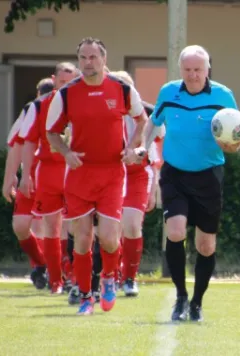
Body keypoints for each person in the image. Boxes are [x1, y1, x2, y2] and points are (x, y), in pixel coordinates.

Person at [46, 37, 148, 315]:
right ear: (78, 61)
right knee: (81, 239)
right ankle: (86, 297)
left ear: (104, 59)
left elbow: (142, 120)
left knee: (109, 237)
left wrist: (132, 148)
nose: (88, 62)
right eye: (83, 58)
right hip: (79, 174)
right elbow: (52, 132)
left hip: (113, 174)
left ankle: (108, 278)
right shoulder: (66, 94)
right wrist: (66, 153)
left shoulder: (122, 88)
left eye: (93, 57)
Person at [147, 45, 240, 322]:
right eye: (187, 70)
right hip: (175, 174)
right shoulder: (168, 92)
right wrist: (142, 147)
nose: (192, 75)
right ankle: (180, 296)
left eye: (197, 70)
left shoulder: (223, 95)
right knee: (176, 232)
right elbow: (153, 122)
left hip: (208, 176)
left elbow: (238, 133)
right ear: (181, 70)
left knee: (206, 246)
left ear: (207, 70)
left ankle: (197, 303)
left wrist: (233, 145)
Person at [18, 62, 78, 294]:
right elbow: (29, 140)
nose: (66, 86)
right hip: (49, 171)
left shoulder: (81, 101)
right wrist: (25, 174)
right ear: (54, 80)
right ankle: (56, 281)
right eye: (62, 82)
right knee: (51, 226)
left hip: (75, 170)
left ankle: (74, 274)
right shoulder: (40, 105)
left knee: (76, 225)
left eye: (71, 82)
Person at [109, 70, 163, 297]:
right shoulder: (105, 112)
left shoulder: (149, 114)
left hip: (137, 175)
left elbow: (156, 156)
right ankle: (110, 275)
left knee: (131, 225)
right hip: (110, 174)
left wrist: (154, 190)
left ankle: (129, 277)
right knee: (110, 230)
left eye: (126, 88)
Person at [2, 78, 54, 290]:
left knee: (44, 225)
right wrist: (12, 176)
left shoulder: (66, 107)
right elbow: (15, 143)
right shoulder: (31, 109)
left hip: (51, 174)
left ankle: (51, 272)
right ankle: (41, 264)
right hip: (30, 175)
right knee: (21, 225)